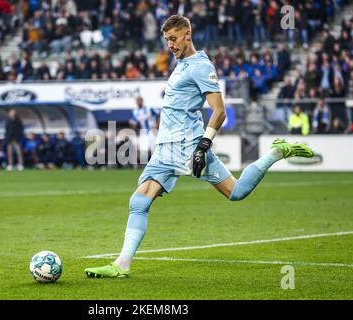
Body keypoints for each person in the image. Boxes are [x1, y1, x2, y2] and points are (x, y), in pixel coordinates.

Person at [84, 15, 314, 278]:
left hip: (187, 147)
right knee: (138, 201)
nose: (169, 44)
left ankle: (276, 152)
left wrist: (202, 147)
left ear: (187, 35)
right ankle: (121, 265)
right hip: (165, 148)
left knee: (235, 192)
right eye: (166, 40)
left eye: (173, 38)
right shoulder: (181, 64)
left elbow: (219, 111)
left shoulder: (200, 66)